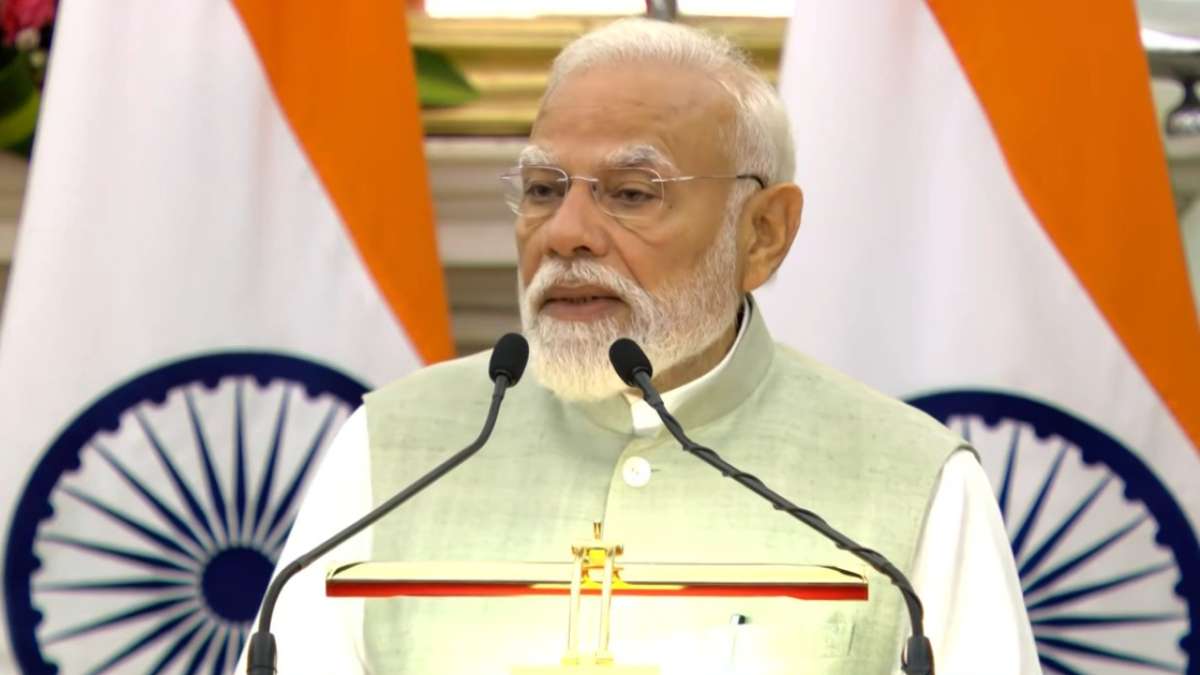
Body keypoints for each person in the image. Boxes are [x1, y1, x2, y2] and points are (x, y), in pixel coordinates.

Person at [242, 17, 1039, 674]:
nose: (566, 233)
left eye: (630, 193)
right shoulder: (394, 448)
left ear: (763, 233)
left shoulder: (914, 480)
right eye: (544, 189)